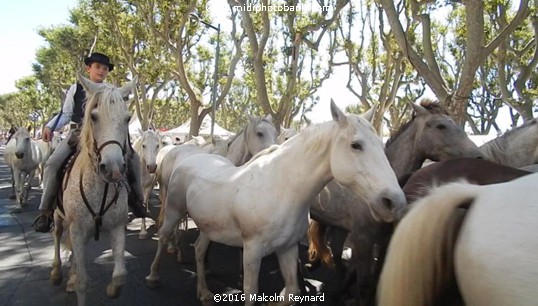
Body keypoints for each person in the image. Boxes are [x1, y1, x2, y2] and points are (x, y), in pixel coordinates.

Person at [33, 52, 150, 233]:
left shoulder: (112, 91)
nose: (101, 71)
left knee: (133, 159)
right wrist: (49, 126)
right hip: (77, 134)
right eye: (97, 67)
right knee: (52, 164)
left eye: (105, 68)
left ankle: (136, 200)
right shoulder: (76, 89)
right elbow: (66, 114)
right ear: (89, 68)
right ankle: (46, 210)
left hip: (104, 136)